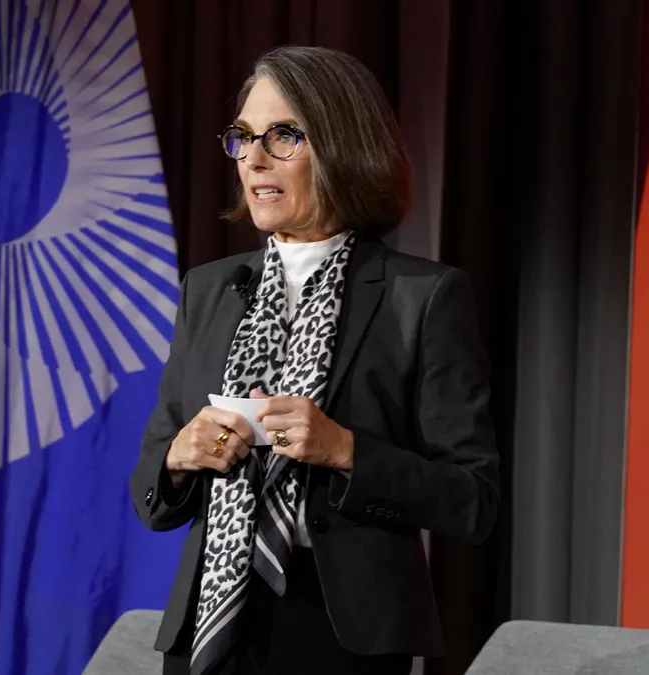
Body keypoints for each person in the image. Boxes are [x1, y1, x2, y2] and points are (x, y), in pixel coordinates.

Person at [130, 45, 500, 675]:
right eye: (243, 137)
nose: (253, 159)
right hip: (210, 625)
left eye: (283, 136)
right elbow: (151, 496)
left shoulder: (423, 296)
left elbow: (473, 501)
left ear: (344, 147)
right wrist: (180, 457)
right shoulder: (209, 289)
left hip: (339, 632)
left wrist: (346, 450)